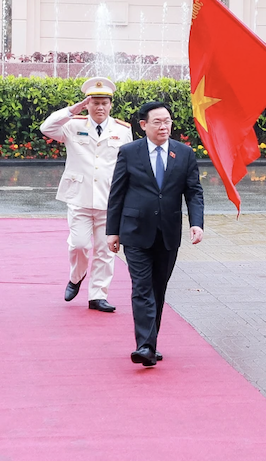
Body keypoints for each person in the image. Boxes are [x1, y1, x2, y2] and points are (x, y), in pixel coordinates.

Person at [106, 101, 205, 367]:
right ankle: (145, 346)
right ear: (143, 126)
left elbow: (193, 191)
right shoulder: (129, 152)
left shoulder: (184, 154)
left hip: (168, 233)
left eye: (168, 121)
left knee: (157, 289)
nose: (164, 127)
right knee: (142, 287)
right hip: (135, 232)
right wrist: (112, 231)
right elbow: (117, 194)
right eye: (158, 122)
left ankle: (151, 342)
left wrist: (197, 223)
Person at [40, 76, 134, 313]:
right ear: (87, 104)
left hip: (109, 199)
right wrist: (73, 110)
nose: (100, 107)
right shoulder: (73, 126)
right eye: (94, 103)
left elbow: (129, 164)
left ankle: (98, 295)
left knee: (105, 250)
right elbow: (46, 128)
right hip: (79, 197)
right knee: (79, 245)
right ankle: (76, 277)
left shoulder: (122, 131)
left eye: (104, 103)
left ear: (110, 104)